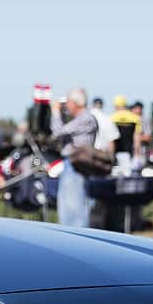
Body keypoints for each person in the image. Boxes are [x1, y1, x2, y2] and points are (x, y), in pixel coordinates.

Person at [54, 89, 110, 228]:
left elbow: (58, 132)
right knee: (67, 204)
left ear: (75, 103)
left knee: (74, 206)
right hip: (72, 164)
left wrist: (55, 112)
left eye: (68, 102)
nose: (66, 105)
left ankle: (76, 239)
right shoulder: (79, 119)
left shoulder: (86, 118)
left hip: (77, 165)